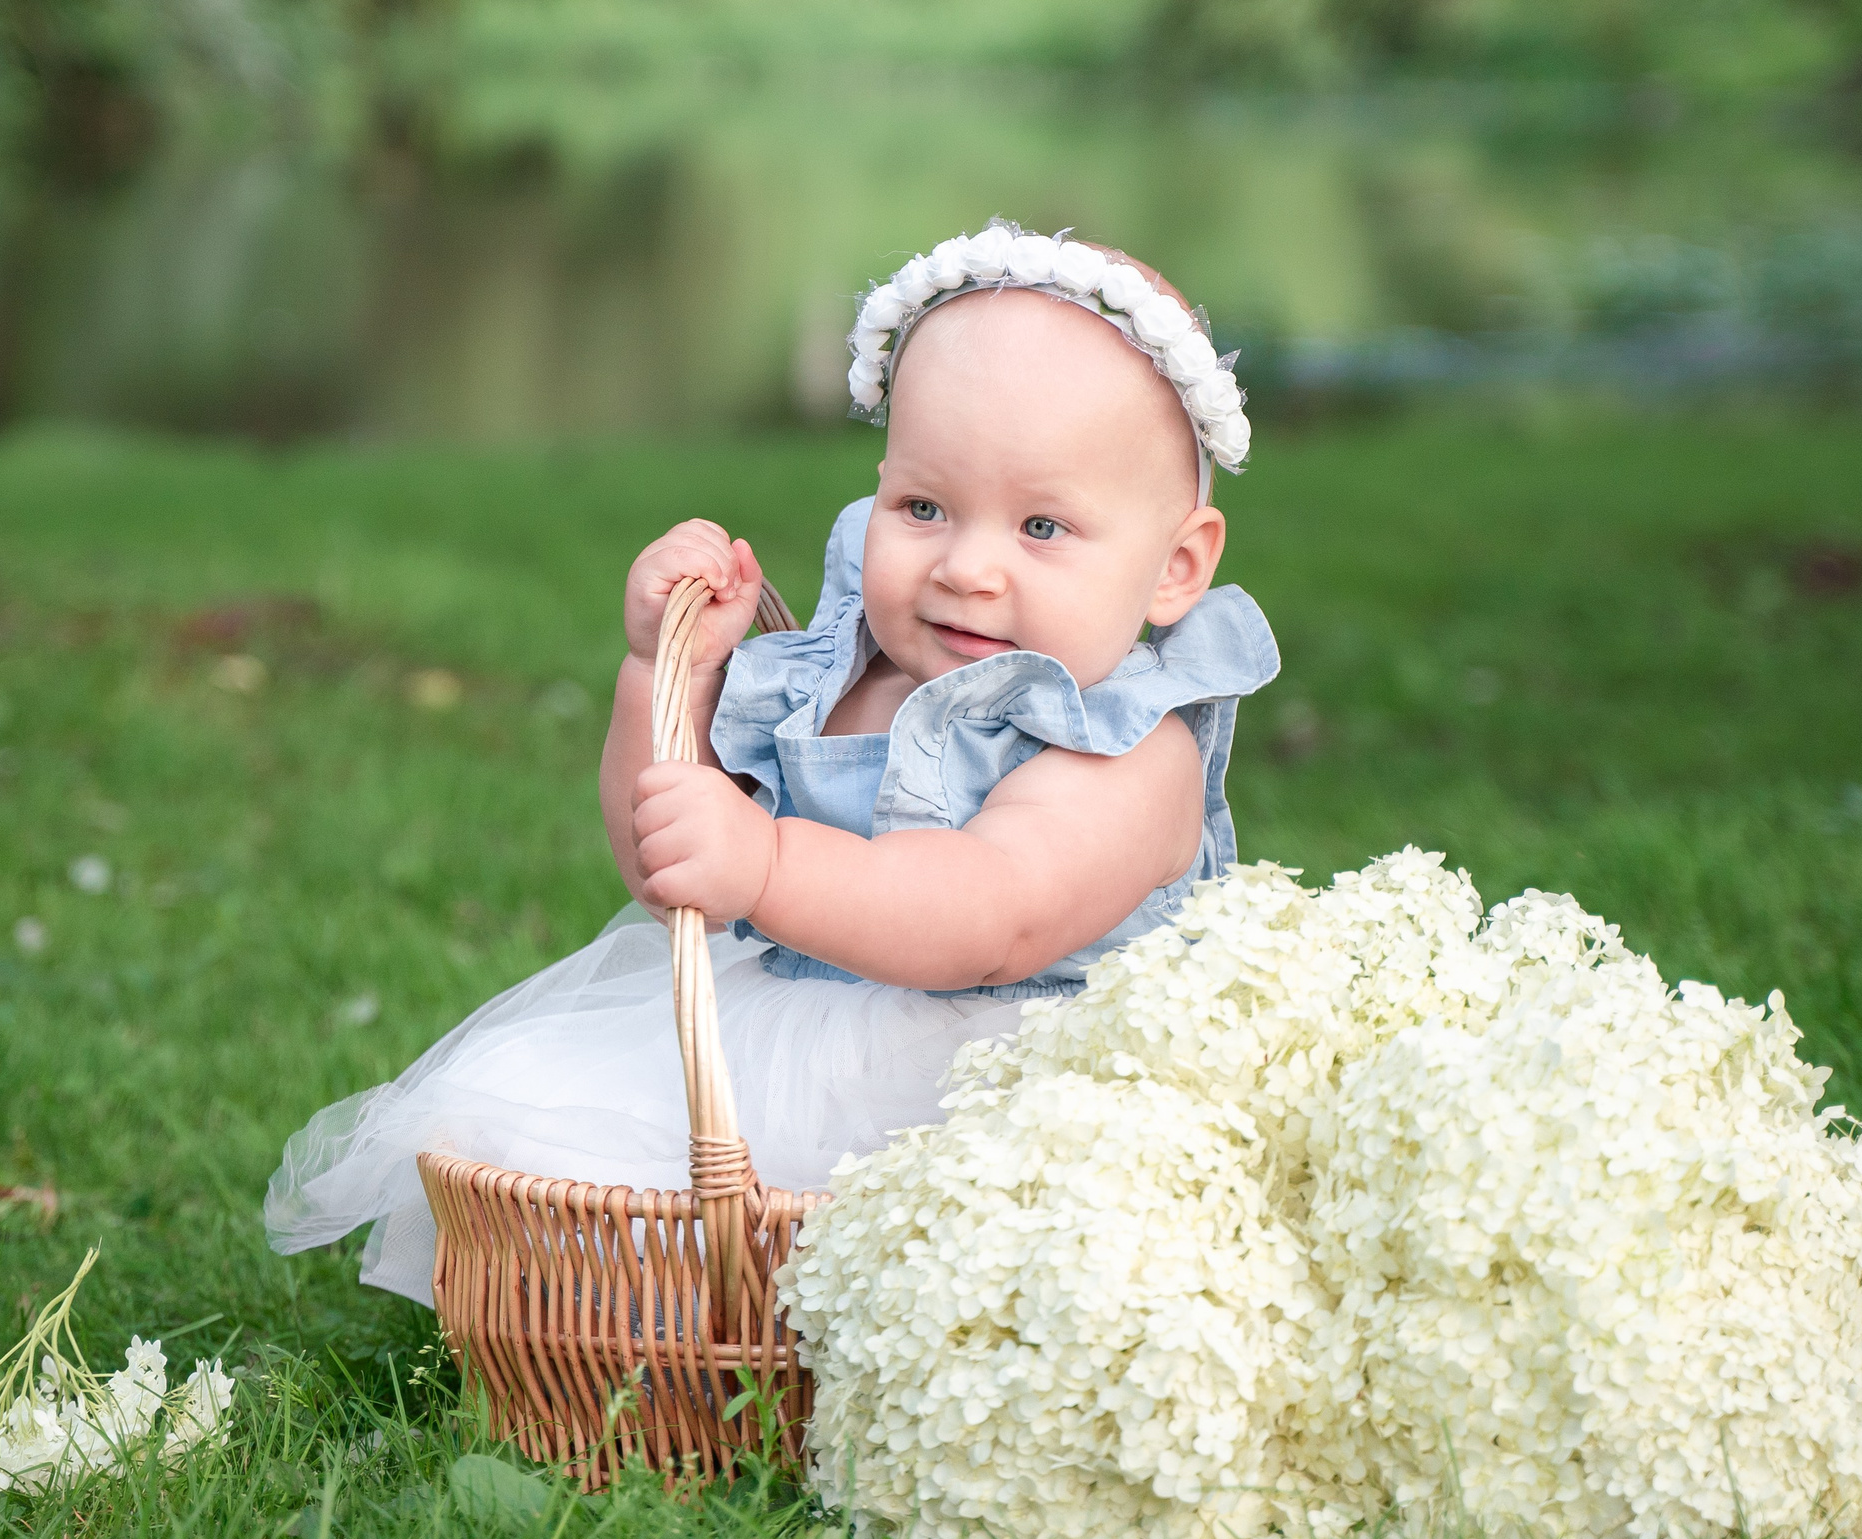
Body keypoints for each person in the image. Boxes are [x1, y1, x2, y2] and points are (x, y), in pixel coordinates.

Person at [264, 222, 1280, 1305]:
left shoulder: (1128, 746)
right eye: (923, 506)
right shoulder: (839, 673)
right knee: (550, 1131)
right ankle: (659, 1351)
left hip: (1003, 1086)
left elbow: (995, 914)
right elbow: (666, 867)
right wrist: (666, 678)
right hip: (774, 1047)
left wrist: (765, 866)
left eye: (1040, 525)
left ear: (1174, 568)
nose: (966, 566)